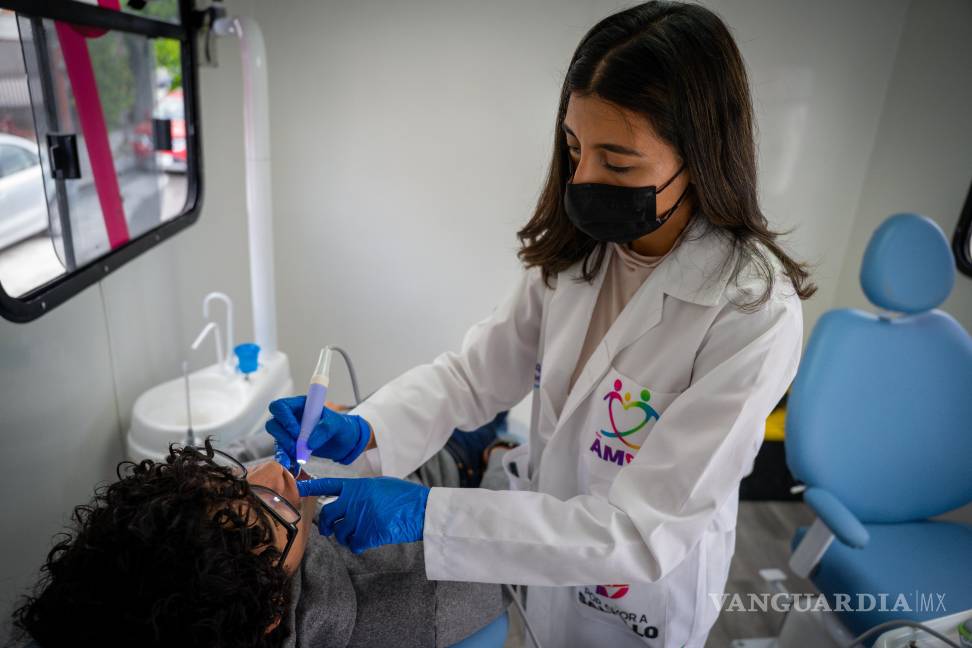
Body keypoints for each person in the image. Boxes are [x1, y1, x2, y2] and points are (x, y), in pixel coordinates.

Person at [266, 2, 815, 646]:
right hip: (536, 557)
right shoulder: (579, 254)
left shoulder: (751, 312)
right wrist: (369, 430)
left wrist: (431, 514)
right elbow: (474, 378)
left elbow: (643, 534)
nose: (583, 180)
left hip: (637, 602)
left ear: (701, 156)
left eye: (618, 162)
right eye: (574, 149)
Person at [6, 440, 509, 648]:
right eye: (271, 509)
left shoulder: (130, 594)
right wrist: (497, 466)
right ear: (271, 611)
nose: (271, 471)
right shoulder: (410, 590)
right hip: (459, 471)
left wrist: (357, 424)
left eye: (231, 479)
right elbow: (508, 551)